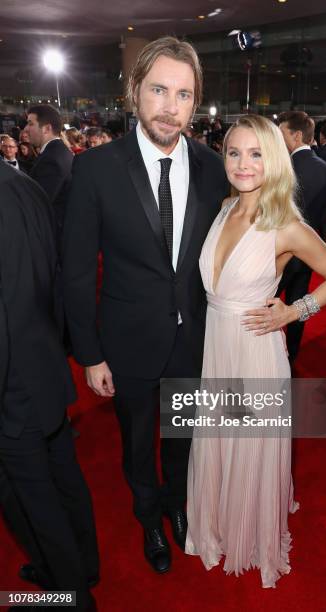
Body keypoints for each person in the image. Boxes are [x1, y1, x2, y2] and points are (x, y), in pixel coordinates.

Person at [63, 36, 228, 575]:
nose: (170, 107)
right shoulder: (95, 169)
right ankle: (147, 519)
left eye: (183, 95)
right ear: (134, 91)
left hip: (192, 341)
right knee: (137, 445)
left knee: (182, 438)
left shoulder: (211, 167)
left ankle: (177, 506)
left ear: (195, 101)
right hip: (126, 342)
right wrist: (89, 354)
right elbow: (78, 270)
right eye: (159, 89)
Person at [185, 115, 326, 588]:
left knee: (248, 443)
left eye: (256, 153)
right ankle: (216, 516)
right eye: (234, 152)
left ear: (274, 159)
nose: (243, 163)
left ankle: (248, 528)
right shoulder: (223, 207)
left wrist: (293, 312)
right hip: (217, 347)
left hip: (255, 351)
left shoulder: (286, 224)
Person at [0, 159, 99, 611]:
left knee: (32, 499)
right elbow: (55, 279)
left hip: (11, 384)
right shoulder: (24, 183)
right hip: (44, 365)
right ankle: (85, 567)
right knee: (64, 477)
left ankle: (71, 596)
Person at [276, 110, 326, 363]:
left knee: (263, 305)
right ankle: (292, 358)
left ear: (297, 135)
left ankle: (266, 357)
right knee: (298, 309)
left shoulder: (283, 168)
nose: (278, 140)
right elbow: (325, 216)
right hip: (310, 255)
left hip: (280, 254)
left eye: (282, 134)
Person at [24, 104, 74, 241]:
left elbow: (38, 205)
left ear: (47, 128)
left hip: (53, 240)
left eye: (30, 123)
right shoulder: (59, 152)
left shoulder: (52, 159)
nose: (26, 129)